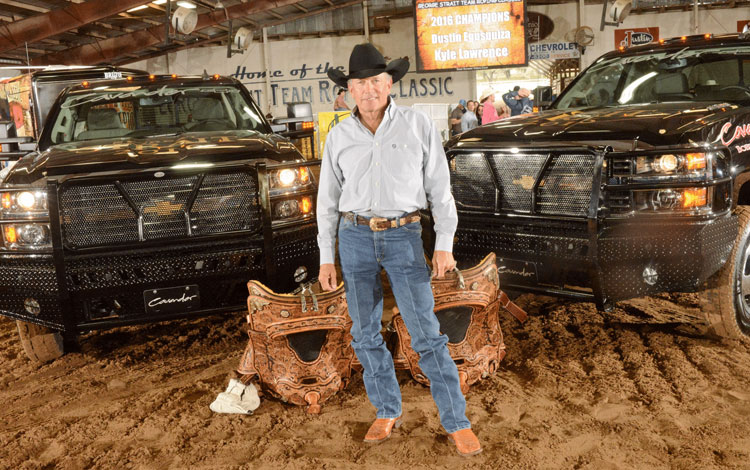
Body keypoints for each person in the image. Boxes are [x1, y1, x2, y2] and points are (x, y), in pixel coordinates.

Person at [317, 43, 482, 457]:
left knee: (426, 333)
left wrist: (444, 244)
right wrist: (326, 255)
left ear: (389, 83)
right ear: (348, 91)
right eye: (360, 83)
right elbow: (327, 202)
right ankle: (387, 409)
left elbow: (441, 191)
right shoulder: (338, 136)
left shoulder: (417, 126)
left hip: (404, 237)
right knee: (365, 333)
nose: (368, 89)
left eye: (376, 81)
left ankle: (456, 421)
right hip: (353, 239)